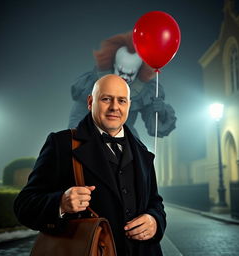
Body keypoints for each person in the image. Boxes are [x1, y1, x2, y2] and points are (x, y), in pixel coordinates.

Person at [14, 74, 166, 255]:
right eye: (106, 99)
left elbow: (155, 203)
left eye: (122, 101)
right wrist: (61, 203)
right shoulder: (61, 144)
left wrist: (155, 220)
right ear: (90, 102)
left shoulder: (143, 152)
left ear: (129, 106)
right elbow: (24, 206)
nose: (114, 107)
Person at [68, 31, 176, 138]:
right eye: (121, 71)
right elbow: (77, 118)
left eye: (130, 73)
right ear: (114, 65)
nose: (124, 77)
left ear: (138, 71)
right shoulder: (92, 84)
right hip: (93, 137)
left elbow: (155, 128)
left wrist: (161, 111)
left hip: (125, 141)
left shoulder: (143, 92)